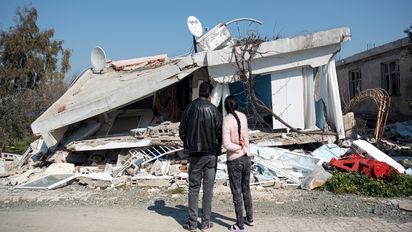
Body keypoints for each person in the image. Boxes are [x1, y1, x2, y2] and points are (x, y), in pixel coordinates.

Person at [179, 82, 223, 231]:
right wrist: (217, 150)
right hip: (211, 154)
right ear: (210, 95)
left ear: (199, 93)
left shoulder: (190, 108)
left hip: (196, 154)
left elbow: (182, 130)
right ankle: (205, 223)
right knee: (208, 189)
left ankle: (192, 224)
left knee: (193, 188)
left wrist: (189, 143)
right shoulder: (214, 110)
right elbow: (219, 133)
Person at [222, 95, 254, 232]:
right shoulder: (243, 117)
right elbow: (246, 137)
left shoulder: (226, 120)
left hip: (235, 160)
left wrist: (238, 148)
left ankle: (240, 225)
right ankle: (250, 219)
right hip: (247, 158)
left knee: (237, 192)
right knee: (246, 189)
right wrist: (243, 148)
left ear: (226, 106)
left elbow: (226, 144)